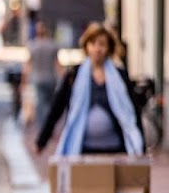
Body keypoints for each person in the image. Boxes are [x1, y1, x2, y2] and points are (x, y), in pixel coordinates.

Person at [35, 23, 143, 157]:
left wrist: (141, 145)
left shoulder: (120, 76)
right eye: (93, 43)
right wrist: (42, 141)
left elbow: (132, 111)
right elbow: (57, 108)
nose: (97, 48)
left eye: (102, 44)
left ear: (108, 47)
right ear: (86, 46)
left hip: (115, 149)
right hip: (82, 149)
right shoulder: (74, 75)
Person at [23, 22, 61, 128]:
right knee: (48, 104)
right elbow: (58, 64)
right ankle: (48, 125)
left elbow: (27, 66)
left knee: (41, 104)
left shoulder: (32, 45)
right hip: (51, 79)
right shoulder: (52, 45)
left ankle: (43, 126)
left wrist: (23, 81)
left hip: (38, 79)